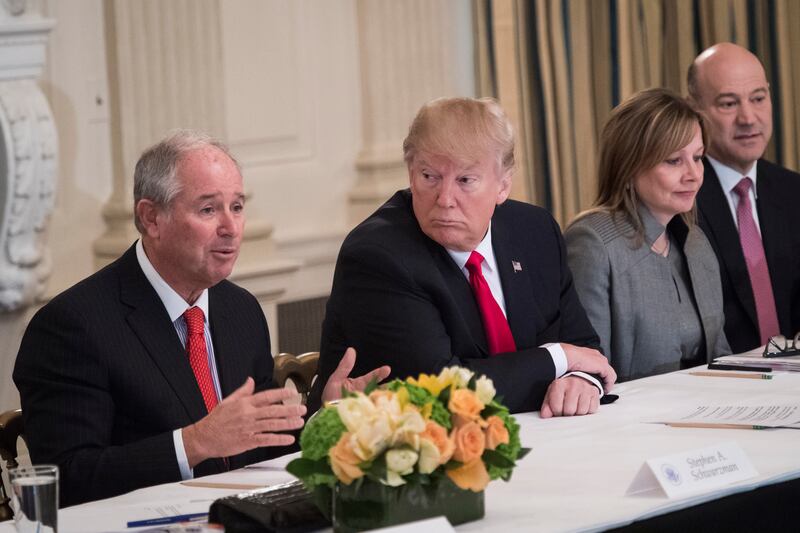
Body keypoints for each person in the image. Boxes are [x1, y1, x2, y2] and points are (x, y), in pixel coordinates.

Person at [13, 131, 388, 507]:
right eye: (208, 209)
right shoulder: (72, 327)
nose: (231, 227)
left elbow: (257, 446)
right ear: (151, 218)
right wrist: (193, 444)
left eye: (237, 207)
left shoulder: (239, 310)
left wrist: (329, 414)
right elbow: (68, 479)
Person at [310, 97, 616, 417]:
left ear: (503, 186)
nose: (444, 199)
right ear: (410, 172)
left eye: (465, 180)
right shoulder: (377, 256)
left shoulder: (535, 232)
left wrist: (579, 378)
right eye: (429, 177)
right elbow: (440, 391)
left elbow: (585, 348)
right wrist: (560, 360)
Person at [564, 88, 730, 381]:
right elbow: (586, 371)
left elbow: (720, 357)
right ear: (629, 166)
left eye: (698, 157)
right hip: (627, 421)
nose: (693, 174)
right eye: (673, 161)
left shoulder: (696, 243)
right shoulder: (592, 243)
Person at [688, 42, 800, 353]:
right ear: (695, 110)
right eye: (728, 104)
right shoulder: (680, 199)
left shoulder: (793, 191)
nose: (749, 118)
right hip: (717, 384)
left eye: (758, 98)